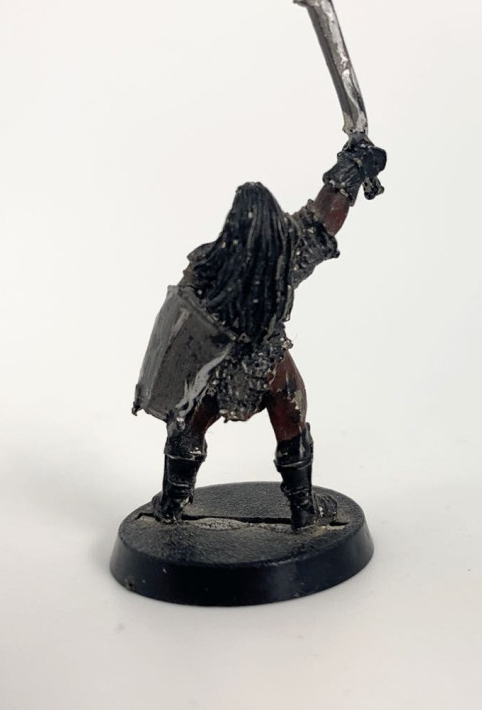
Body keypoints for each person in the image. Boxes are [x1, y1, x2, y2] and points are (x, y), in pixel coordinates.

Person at [133, 139, 387, 528]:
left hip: (211, 368)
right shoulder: (285, 258)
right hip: (265, 365)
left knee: (188, 426)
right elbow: (323, 218)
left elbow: (182, 322)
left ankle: (171, 504)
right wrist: (351, 168)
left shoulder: (206, 265)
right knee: (290, 415)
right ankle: (302, 508)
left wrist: (352, 166)